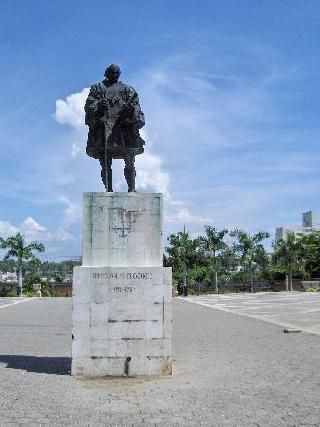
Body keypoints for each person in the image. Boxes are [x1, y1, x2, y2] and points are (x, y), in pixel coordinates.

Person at [84, 64, 145, 192]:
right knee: (105, 162)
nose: (114, 75)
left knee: (129, 160)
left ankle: (132, 189)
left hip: (124, 130)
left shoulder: (129, 90)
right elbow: (89, 105)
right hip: (104, 130)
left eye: (117, 72)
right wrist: (98, 106)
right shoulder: (97, 88)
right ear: (106, 74)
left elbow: (137, 110)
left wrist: (131, 111)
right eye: (111, 72)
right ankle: (109, 190)